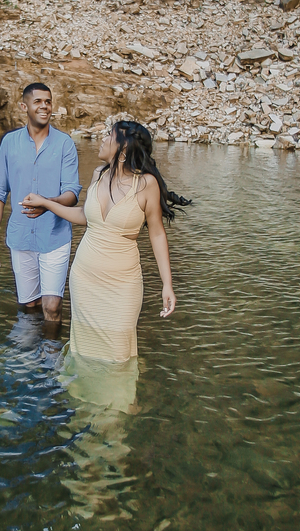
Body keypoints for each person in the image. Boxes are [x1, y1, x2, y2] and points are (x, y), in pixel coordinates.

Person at [23, 116, 188, 363]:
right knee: (85, 350)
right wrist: (47, 204)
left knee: (118, 353)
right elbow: (85, 216)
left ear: (123, 149)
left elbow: (156, 233)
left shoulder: (146, 184)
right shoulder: (99, 174)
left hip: (122, 284)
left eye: (110, 135)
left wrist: (167, 284)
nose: (103, 138)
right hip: (84, 278)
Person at [0, 82, 81, 325]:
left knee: (52, 306)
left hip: (55, 236)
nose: (44, 106)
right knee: (29, 306)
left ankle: (51, 349)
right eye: (38, 101)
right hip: (20, 236)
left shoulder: (64, 144)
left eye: (48, 102)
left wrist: (47, 203)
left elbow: (71, 193)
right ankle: (32, 347)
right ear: (24, 106)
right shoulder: (9, 143)